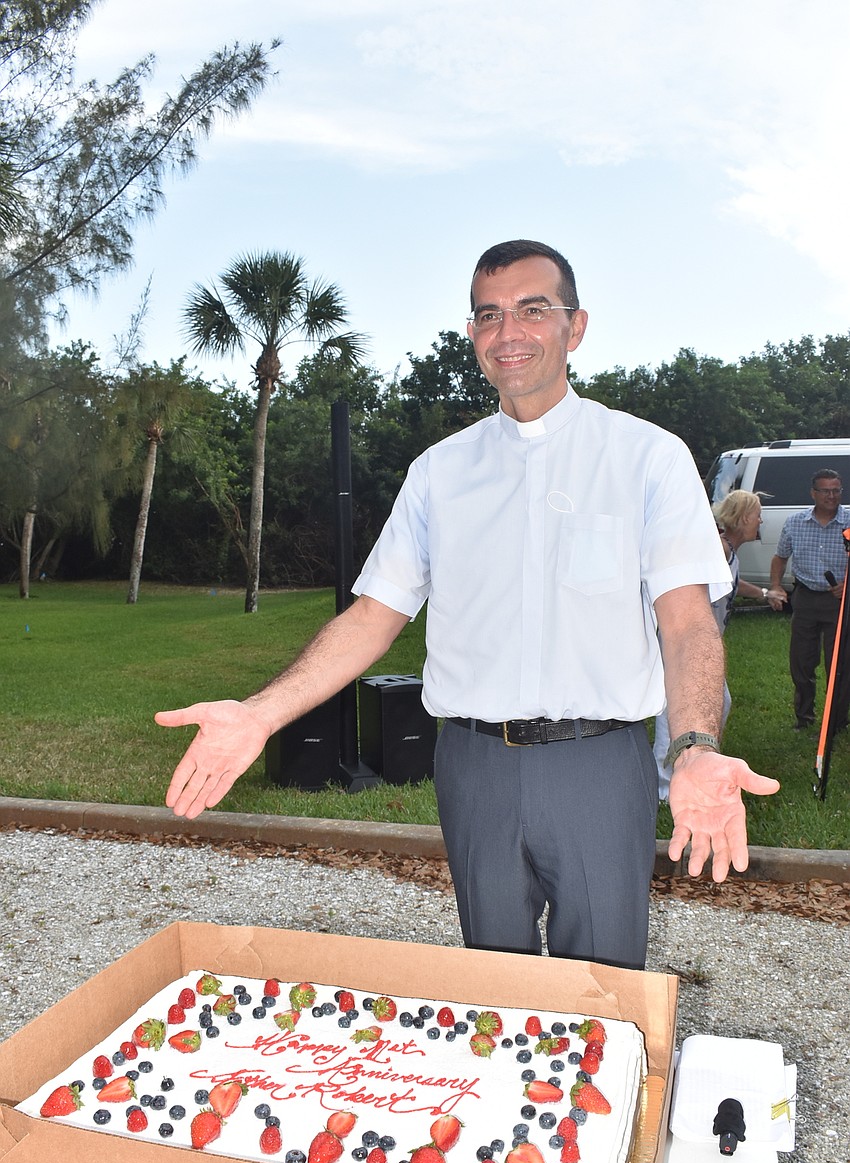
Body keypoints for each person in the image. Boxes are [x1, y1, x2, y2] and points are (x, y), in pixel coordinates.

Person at [156, 239, 779, 970]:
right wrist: (260, 714)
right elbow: (371, 618)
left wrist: (695, 746)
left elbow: (686, 624)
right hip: (471, 766)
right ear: (473, 335)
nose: (508, 333)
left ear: (574, 328)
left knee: (607, 993)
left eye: (532, 310)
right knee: (491, 979)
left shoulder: (647, 457)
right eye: (488, 316)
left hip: (598, 766)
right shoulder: (439, 473)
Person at [654, 490, 765, 799]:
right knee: (672, 711)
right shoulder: (715, 548)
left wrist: (765, 595)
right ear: (744, 518)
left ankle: (697, 759)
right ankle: (664, 787)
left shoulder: (728, 550)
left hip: (700, 648)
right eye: (757, 515)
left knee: (720, 700)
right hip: (681, 644)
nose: (761, 520)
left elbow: (728, 583)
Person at [766, 468, 850, 731]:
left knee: (839, 664)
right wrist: (776, 586)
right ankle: (804, 718)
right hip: (804, 599)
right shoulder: (795, 523)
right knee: (801, 661)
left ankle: (836, 722)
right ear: (813, 493)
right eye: (825, 490)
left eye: (836, 490)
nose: (831, 496)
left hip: (839, 603)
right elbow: (780, 557)